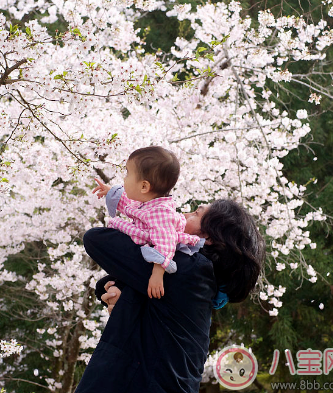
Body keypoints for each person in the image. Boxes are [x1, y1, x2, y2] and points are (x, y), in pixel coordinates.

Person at [75, 198, 265, 393]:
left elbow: (97, 239)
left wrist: (156, 221)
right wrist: (117, 293)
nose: (183, 215)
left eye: (195, 214)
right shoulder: (198, 279)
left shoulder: (190, 270)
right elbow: (113, 281)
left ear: (208, 237)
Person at [92, 146, 203, 300]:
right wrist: (111, 191)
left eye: (128, 174)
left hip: (153, 252)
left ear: (144, 186)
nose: (124, 179)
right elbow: (131, 207)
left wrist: (157, 274)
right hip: (144, 243)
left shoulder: (161, 212)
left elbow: (166, 243)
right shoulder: (150, 202)